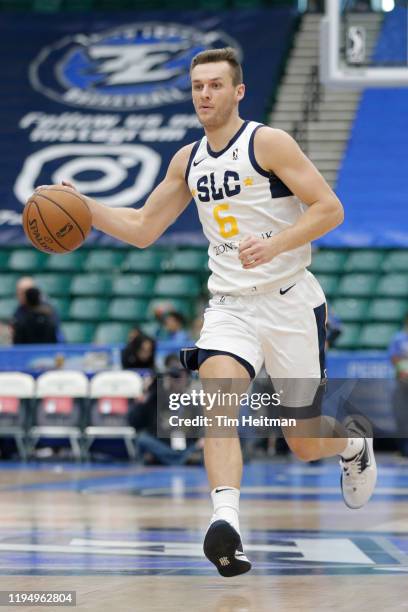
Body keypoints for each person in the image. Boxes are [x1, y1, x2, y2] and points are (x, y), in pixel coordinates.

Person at [38, 47, 377, 577]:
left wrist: (277, 241)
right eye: (198, 86)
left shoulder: (268, 142)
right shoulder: (187, 160)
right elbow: (145, 228)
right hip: (229, 306)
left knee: (305, 440)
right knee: (218, 405)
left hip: (290, 301)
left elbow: (330, 208)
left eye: (215, 85)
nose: (204, 94)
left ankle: (353, 443)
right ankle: (226, 525)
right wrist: (83, 207)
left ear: (238, 91)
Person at [13, 276, 64, 342]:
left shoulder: (49, 311)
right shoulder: (19, 311)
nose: (20, 295)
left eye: (24, 292)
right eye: (18, 291)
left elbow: (55, 332)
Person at [389, 312, 408, 456]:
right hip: (402, 381)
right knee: (401, 415)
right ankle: (403, 450)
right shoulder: (399, 338)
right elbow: (393, 357)